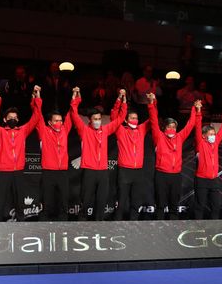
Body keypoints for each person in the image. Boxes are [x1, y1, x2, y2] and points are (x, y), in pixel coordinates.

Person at [70, 86, 126, 221]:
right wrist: (75, 97)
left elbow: (120, 118)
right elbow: (74, 114)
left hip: (103, 172)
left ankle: (99, 224)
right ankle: (82, 222)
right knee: (86, 199)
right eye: (95, 119)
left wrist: (121, 99)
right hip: (89, 171)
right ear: (90, 120)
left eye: (99, 118)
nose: (97, 121)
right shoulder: (84, 130)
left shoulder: (105, 130)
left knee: (101, 201)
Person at [0, 87, 40, 221]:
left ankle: (21, 223)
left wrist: (36, 98)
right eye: (10, 118)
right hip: (4, 171)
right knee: (2, 199)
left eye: (15, 118)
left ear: (18, 120)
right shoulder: (0, 132)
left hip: (18, 171)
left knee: (19, 201)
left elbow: (36, 118)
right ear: (5, 120)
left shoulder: (23, 130)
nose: (13, 119)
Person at [147, 94, 198, 219]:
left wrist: (195, 109)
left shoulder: (179, 137)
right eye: (169, 126)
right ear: (164, 127)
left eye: (174, 127)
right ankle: (158, 227)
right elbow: (153, 120)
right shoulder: (159, 137)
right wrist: (152, 103)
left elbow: (190, 124)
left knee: (174, 205)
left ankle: (173, 228)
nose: (171, 129)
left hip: (175, 175)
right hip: (161, 175)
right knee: (160, 204)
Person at [32, 86, 72, 221]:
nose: (59, 123)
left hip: (63, 172)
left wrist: (75, 97)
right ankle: (43, 226)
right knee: (47, 202)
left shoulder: (65, 130)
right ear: (50, 122)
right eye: (56, 121)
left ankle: (63, 226)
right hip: (48, 172)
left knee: (63, 202)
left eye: (60, 120)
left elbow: (71, 114)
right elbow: (38, 115)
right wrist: (37, 96)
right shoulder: (44, 131)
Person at [110, 90, 151, 220]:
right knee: (121, 201)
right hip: (125, 171)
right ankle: (117, 224)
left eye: (136, 118)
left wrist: (152, 102)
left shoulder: (142, 129)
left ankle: (133, 224)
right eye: (132, 118)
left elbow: (153, 119)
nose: (135, 120)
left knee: (136, 201)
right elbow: (114, 116)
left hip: (138, 171)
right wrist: (121, 100)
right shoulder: (121, 130)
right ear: (126, 121)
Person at [192, 100, 222, 220]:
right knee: (200, 206)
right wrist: (198, 111)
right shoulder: (200, 143)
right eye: (210, 134)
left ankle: (214, 229)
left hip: (214, 180)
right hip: (201, 180)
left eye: (214, 133)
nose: (213, 136)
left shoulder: (215, 142)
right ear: (204, 135)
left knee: (216, 206)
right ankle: (198, 229)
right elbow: (198, 126)